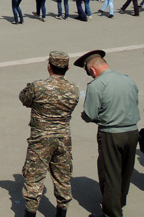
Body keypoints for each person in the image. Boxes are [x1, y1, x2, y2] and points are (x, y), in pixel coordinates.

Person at [75, 49, 140, 217]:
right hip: (132, 132)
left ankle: (112, 213)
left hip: (111, 134)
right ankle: (119, 204)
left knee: (110, 175)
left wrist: (85, 116)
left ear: (92, 70)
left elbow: (90, 115)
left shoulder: (97, 85)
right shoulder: (128, 80)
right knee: (126, 172)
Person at [19, 51, 80, 217]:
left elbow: (24, 99)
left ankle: (30, 213)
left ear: (49, 67)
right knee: (63, 178)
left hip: (41, 139)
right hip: (63, 138)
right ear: (67, 67)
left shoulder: (38, 86)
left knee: (34, 179)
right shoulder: (74, 89)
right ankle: (62, 212)